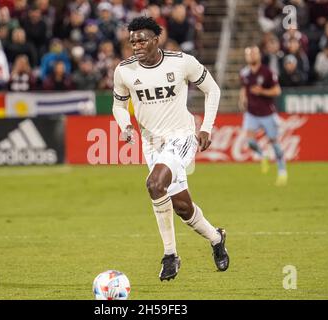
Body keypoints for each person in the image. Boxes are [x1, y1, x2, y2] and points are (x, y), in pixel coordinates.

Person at [112, 17, 229, 282]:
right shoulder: (124, 70)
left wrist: (206, 127)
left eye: (142, 39)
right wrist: (125, 126)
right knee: (182, 208)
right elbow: (118, 105)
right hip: (151, 143)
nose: (137, 44)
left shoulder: (182, 62)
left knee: (154, 184)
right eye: (133, 41)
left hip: (182, 136)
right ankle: (216, 237)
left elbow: (213, 90)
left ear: (156, 39)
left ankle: (170, 255)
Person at [239, 46, 287, 186]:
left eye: (254, 53)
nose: (251, 56)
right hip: (251, 113)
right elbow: (244, 89)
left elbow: (277, 91)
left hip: (267, 113)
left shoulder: (267, 72)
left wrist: (262, 91)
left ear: (259, 55)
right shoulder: (244, 73)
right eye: (249, 54)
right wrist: (242, 99)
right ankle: (263, 155)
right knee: (250, 142)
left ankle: (282, 171)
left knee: (274, 143)